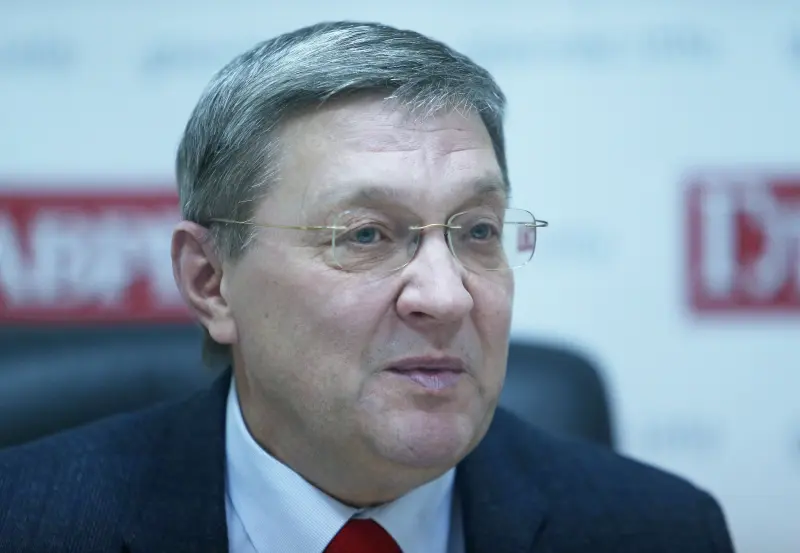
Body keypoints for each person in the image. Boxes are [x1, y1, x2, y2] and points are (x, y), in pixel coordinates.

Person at [0, 21, 735, 553]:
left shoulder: (658, 530)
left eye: (478, 230)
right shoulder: (29, 522)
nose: (447, 297)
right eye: (365, 235)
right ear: (211, 281)